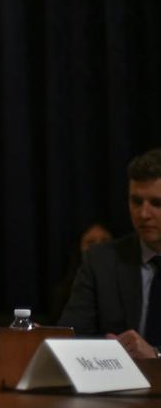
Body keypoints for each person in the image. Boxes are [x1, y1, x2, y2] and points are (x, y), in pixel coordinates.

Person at [59, 148, 161, 359]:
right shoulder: (101, 261)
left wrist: (156, 355)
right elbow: (72, 338)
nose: (143, 214)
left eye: (156, 203)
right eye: (136, 201)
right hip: (113, 386)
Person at [49, 223, 113, 323]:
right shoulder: (64, 291)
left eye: (105, 241)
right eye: (91, 243)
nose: (99, 248)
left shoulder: (126, 284)